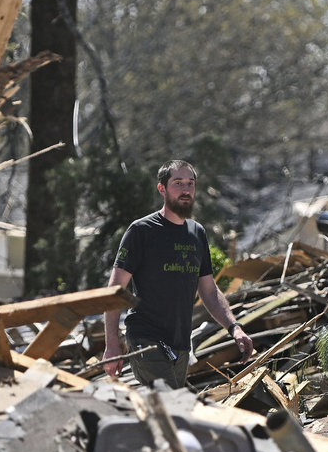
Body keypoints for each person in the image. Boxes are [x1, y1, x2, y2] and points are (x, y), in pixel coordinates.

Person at [103, 160, 254, 388]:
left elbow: (209, 291)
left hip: (180, 343)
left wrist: (235, 327)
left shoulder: (197, 233)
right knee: (173, 403)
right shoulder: (141, 231)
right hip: (146, 338)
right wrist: (112, 344)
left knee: (167, 406)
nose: (186, 190)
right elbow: (115, 290)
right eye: (178, 183)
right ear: (162, 188)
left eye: (190, 183)